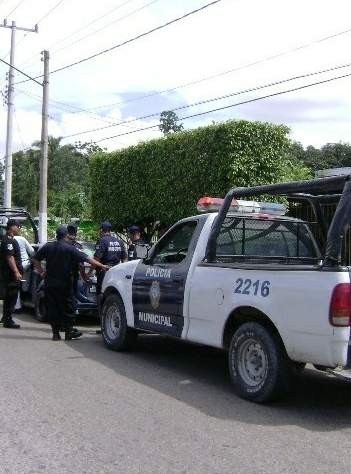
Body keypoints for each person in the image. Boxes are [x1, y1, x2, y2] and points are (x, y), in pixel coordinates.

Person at [33, 226, 108, 341]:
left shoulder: (48, 246)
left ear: (56, 235)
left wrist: (41, 272)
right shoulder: (70, 248)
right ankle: (68, 333)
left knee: (53, 308)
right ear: (66, 235)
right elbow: (87, 259)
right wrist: (102, 266)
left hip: (50, 283)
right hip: (65, 284)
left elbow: (35, 259)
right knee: (69, 307)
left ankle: (55, 334)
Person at [94, 221, 127, 297]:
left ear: (101, 230)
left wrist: (89, 272)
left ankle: (100, 308)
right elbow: (125, 258)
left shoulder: (101, 241)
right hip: (116, 271)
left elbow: (96, 259)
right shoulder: (119, 242)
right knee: (113, 293)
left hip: (104, 271)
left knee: (101, 294)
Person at [0, 219, 23, 329]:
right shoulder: (8, 240)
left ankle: (5, 317)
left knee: (9, 296)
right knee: (12, 297)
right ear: (12, 227)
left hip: (9, 274)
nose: (19, 228)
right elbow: (10, 257)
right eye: (18, 226)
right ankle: (8, 320)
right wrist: (16, 272)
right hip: (11, 275)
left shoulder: (10, 239)